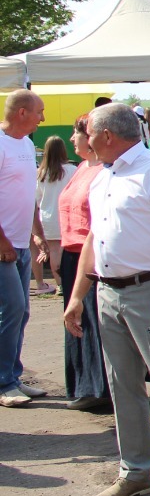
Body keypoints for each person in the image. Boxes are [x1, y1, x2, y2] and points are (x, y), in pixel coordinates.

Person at [63, 102, 150, 496]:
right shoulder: (101, 176)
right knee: (121, 384)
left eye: (89, 133)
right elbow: (94, 238)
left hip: (148, 290)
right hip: (108, 292)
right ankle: (135, 472)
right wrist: (78, 296)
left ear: (107, 135)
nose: (84, 140)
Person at [56, 116, 109, 410]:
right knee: (77, 320)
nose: (72, 139)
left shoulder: (103, 171)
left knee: (92, 321)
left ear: (89, 138)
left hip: (91, 256)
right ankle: (84, 385)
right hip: (71, 253)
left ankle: (101, 389)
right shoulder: (81, 168)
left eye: (76, 134)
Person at [0, 90, 47, 407]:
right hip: (4, 246)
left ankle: (12, 376)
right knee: (12, 309)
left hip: (20, 244)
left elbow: (26, 194)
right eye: (39, 112)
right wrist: (2, 241)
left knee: (21, 312)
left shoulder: (27, 144)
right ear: (21, 112)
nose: (42, 118)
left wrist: (37, 233)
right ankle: (4, 382)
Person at [33, 135, 75, 296]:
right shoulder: (72, 170)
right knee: (68, 251)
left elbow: (37, 199)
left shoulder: (40, 173)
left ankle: (60, 284)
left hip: (48, 218)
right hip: (68, 217)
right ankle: (70, 281)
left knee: (54, 251)